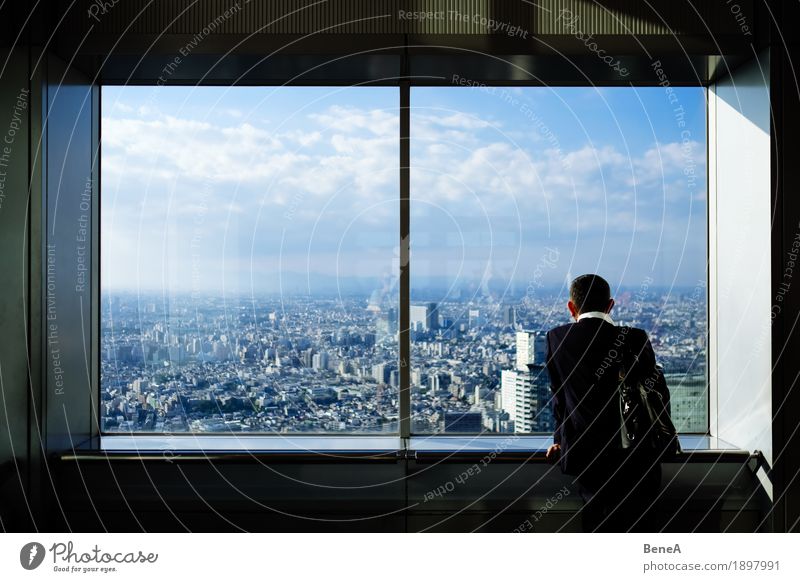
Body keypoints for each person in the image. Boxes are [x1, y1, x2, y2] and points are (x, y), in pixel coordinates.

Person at [544, 274, 664, 532]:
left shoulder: (557, 338)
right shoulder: (635, 338)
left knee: (598, 525)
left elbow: (559, 397)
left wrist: (559, 439)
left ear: (571, 307)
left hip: (588, 457)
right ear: (610, 305)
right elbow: (655, 393)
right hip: (636, 454)